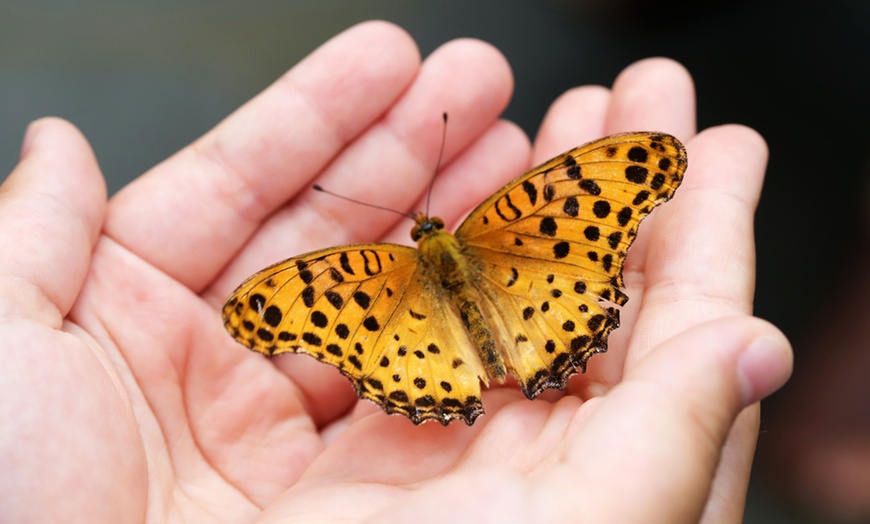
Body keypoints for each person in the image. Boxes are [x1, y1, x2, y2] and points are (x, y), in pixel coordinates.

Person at [0, 21, 791, 523]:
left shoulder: (355, 275)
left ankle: (471, 375)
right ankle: (542, 351)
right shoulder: (507, 217)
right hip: (544, 301)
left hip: (423, 355)